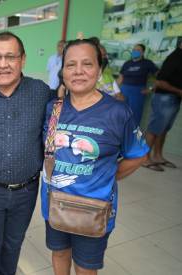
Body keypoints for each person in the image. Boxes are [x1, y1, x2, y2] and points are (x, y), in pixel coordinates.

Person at [41, 39, 149, 275]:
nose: (78, 71)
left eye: (87, 64)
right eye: (71, 65)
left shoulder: (118, 112)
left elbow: (138, 154)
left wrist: (107, 176)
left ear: (99, 70)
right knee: (59, 253)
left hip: (94, 209)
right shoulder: (53, 109)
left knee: (85, 266)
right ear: (63, 71)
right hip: (56, 203)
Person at [0, 31, 52, 275]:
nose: (3, 64)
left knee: (13, 244)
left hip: (26, 190)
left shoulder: (40, 91)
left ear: (23, 60)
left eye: (10, 57)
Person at [143, 40, 182, 171]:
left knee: (163, 129)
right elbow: (160, 82)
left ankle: (158, 156)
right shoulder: (175, 58)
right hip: (164, 98)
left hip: (174, 98)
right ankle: (145, 158)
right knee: (154, 128)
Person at [117, 43, 158, 124]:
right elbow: (120, 78)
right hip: (124, 91)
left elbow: (160, 76)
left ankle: (132, 135)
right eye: (134, 50)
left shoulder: (147, 63)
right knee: (120, 114)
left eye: (138, 50)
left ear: (143, 52)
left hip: (137, 92)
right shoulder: (127, 63)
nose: (135, 51)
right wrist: (113, 91)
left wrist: (151, 89)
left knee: (134, 116)